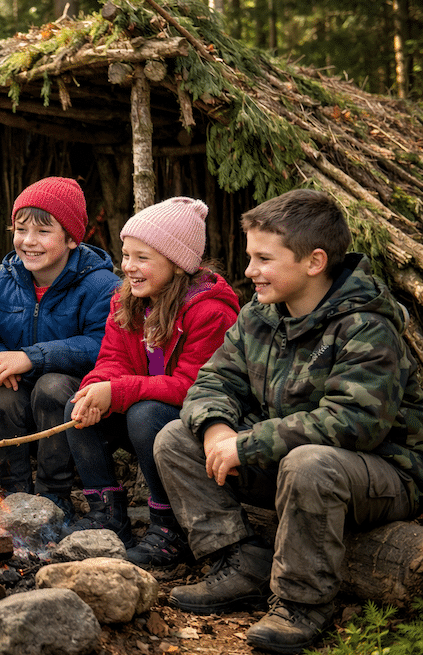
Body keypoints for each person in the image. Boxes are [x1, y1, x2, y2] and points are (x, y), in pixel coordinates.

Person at [155, 189, 423, 654]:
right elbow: (212, 382)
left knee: (310, 463)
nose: (248, 271)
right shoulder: (260, 316)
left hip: (383, 473)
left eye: (263, 259)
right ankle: (240, 563)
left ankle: (302, 604)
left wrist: (246, 444)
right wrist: (218, 429)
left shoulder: (366, 326)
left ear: (314, 261)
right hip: (291, 460)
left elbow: (354, 423)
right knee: (177, 438)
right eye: (249, 257)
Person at [66, 197, 239, 566]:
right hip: (143, 416)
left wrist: (118, 391)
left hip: (192, 429)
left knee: (145, 414)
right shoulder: (128, 302)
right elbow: (111, 359)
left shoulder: (210, 311)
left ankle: (168, 528)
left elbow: (192, 386)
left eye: (142, 258)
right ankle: (106, 513)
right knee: (78, 405)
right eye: (126, 255)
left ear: (177, 265)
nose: (128, 267)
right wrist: (97, 387)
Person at [0, 177, 118, 512]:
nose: (28, 241)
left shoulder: (101, 285)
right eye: (21, 229)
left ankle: (55, 495)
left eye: (43, 231)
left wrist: (30, 357)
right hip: (20, 386)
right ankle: (9, 494)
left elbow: (101, 344)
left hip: (77, 390)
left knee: (52, 387)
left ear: (71, 238)